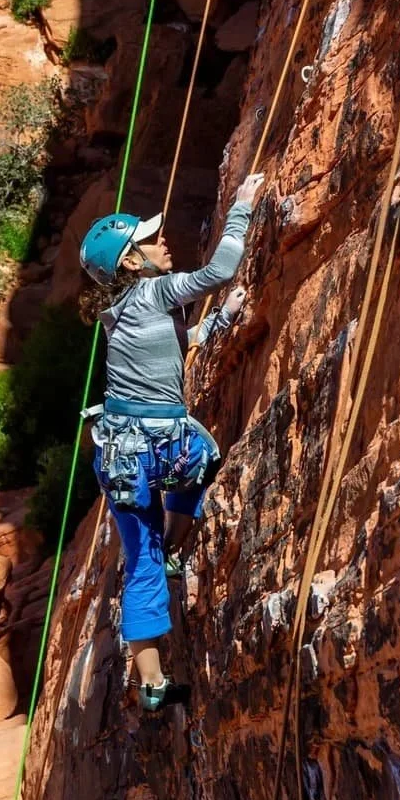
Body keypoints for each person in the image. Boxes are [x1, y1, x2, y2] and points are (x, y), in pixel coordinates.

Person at [78, 173, 263, 711]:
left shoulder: (121, 315)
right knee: (202, 458)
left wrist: (223, 321)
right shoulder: (156, 291)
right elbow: (221, 270)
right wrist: (242, 209)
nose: (164, 242)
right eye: (150, 240)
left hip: (118, 452)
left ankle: (152, 683)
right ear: (131, 263)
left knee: (141, 560)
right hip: (160, 444)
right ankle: (173, 546)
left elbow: (173, 350)